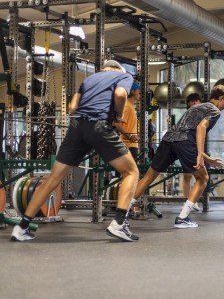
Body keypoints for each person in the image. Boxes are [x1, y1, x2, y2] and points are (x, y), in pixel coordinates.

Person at [11, 59, 140, 242]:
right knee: (131, 172)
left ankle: (21, 227)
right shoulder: (123, 76)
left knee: (52, 180)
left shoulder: (88, 80)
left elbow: (72, 108)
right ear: (118, 70)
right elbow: (120, 94)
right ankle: (119, 223)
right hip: (99, 125)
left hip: (77, 127)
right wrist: (117, 115)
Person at [129, 85, 224, 228]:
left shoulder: (196, 107)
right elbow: (200, 128)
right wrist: (199, 157)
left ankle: (122, 212)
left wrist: (205, 157)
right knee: (203, 178)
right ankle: (182, 218)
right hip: (185, 140)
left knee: (148, 177)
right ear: (221, 98)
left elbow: (185, 131)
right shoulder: (214, 110)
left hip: (169, 139)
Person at [181, 92, 202, 211]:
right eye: (191, 101)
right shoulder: (186, 115)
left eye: (196, 101)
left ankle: (193, 200)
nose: (194, 103)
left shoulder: (202, 115)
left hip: (196, 148)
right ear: (188, 104)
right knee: (187, 176)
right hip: (186, 147)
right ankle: (187, 201)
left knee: (199, 176)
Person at [114, 81, 141, 160]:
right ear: (132, 91)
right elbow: (117, 124)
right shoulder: (127, 106)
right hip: (127, 146)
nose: (140, 93)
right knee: (128, 172)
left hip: (131, 146)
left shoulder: (131, 106)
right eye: (138, 91)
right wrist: (130, 136)